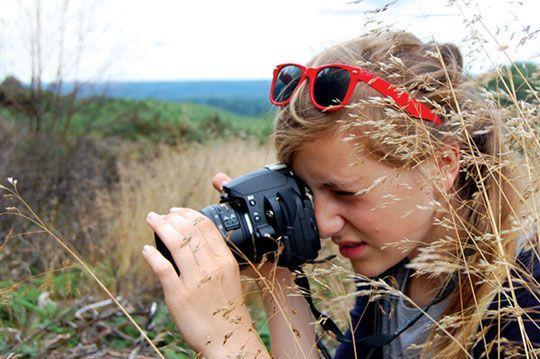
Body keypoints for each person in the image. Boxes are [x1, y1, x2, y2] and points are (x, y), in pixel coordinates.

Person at [142, 30, 540, 358]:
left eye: (343, 193)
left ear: (442, 166)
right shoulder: (395, 270)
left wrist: (229, 344)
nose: (322, 222)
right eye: (306, 192)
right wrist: (278, 266)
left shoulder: (527, 302)